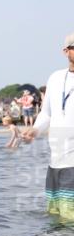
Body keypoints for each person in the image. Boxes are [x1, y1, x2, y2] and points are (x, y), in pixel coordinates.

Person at [22, 32, 74, 220]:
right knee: (54, 217)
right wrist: (35, 130)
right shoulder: (55, 78)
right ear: (66, 51)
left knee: (69, 220)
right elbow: (47, 113)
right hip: (56, 162)